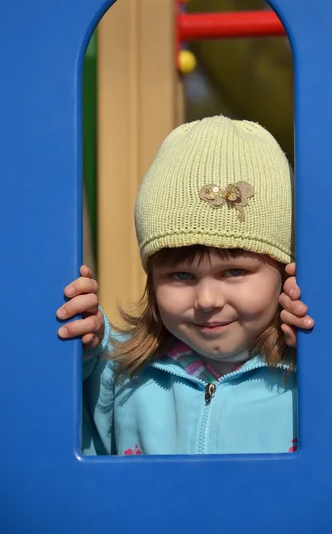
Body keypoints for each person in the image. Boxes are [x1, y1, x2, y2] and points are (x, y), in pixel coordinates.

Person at [57, 116, 314, 455]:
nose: (207, 300)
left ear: (285, 272)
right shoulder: (120, 374)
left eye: (234, 272)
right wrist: (81, 352)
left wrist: (331, 352)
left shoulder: (309, 377)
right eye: (181, 276)